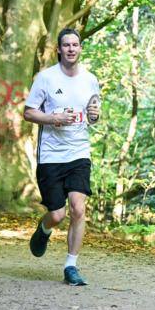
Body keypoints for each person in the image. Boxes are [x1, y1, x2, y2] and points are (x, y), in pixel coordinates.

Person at [23, 27, 101, 286]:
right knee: (57, 215)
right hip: (51, 156)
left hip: (79, 152)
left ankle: (71, 266)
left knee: (79, 209)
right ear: (58, 49)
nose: (70, 49)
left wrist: (94, 115)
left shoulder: (90, 79)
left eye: (75, 45)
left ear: (80, 49)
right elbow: (29, 112)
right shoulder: (46, 78)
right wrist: (53, 118)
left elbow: (93, 115)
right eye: (65, 45)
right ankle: (44, 229)